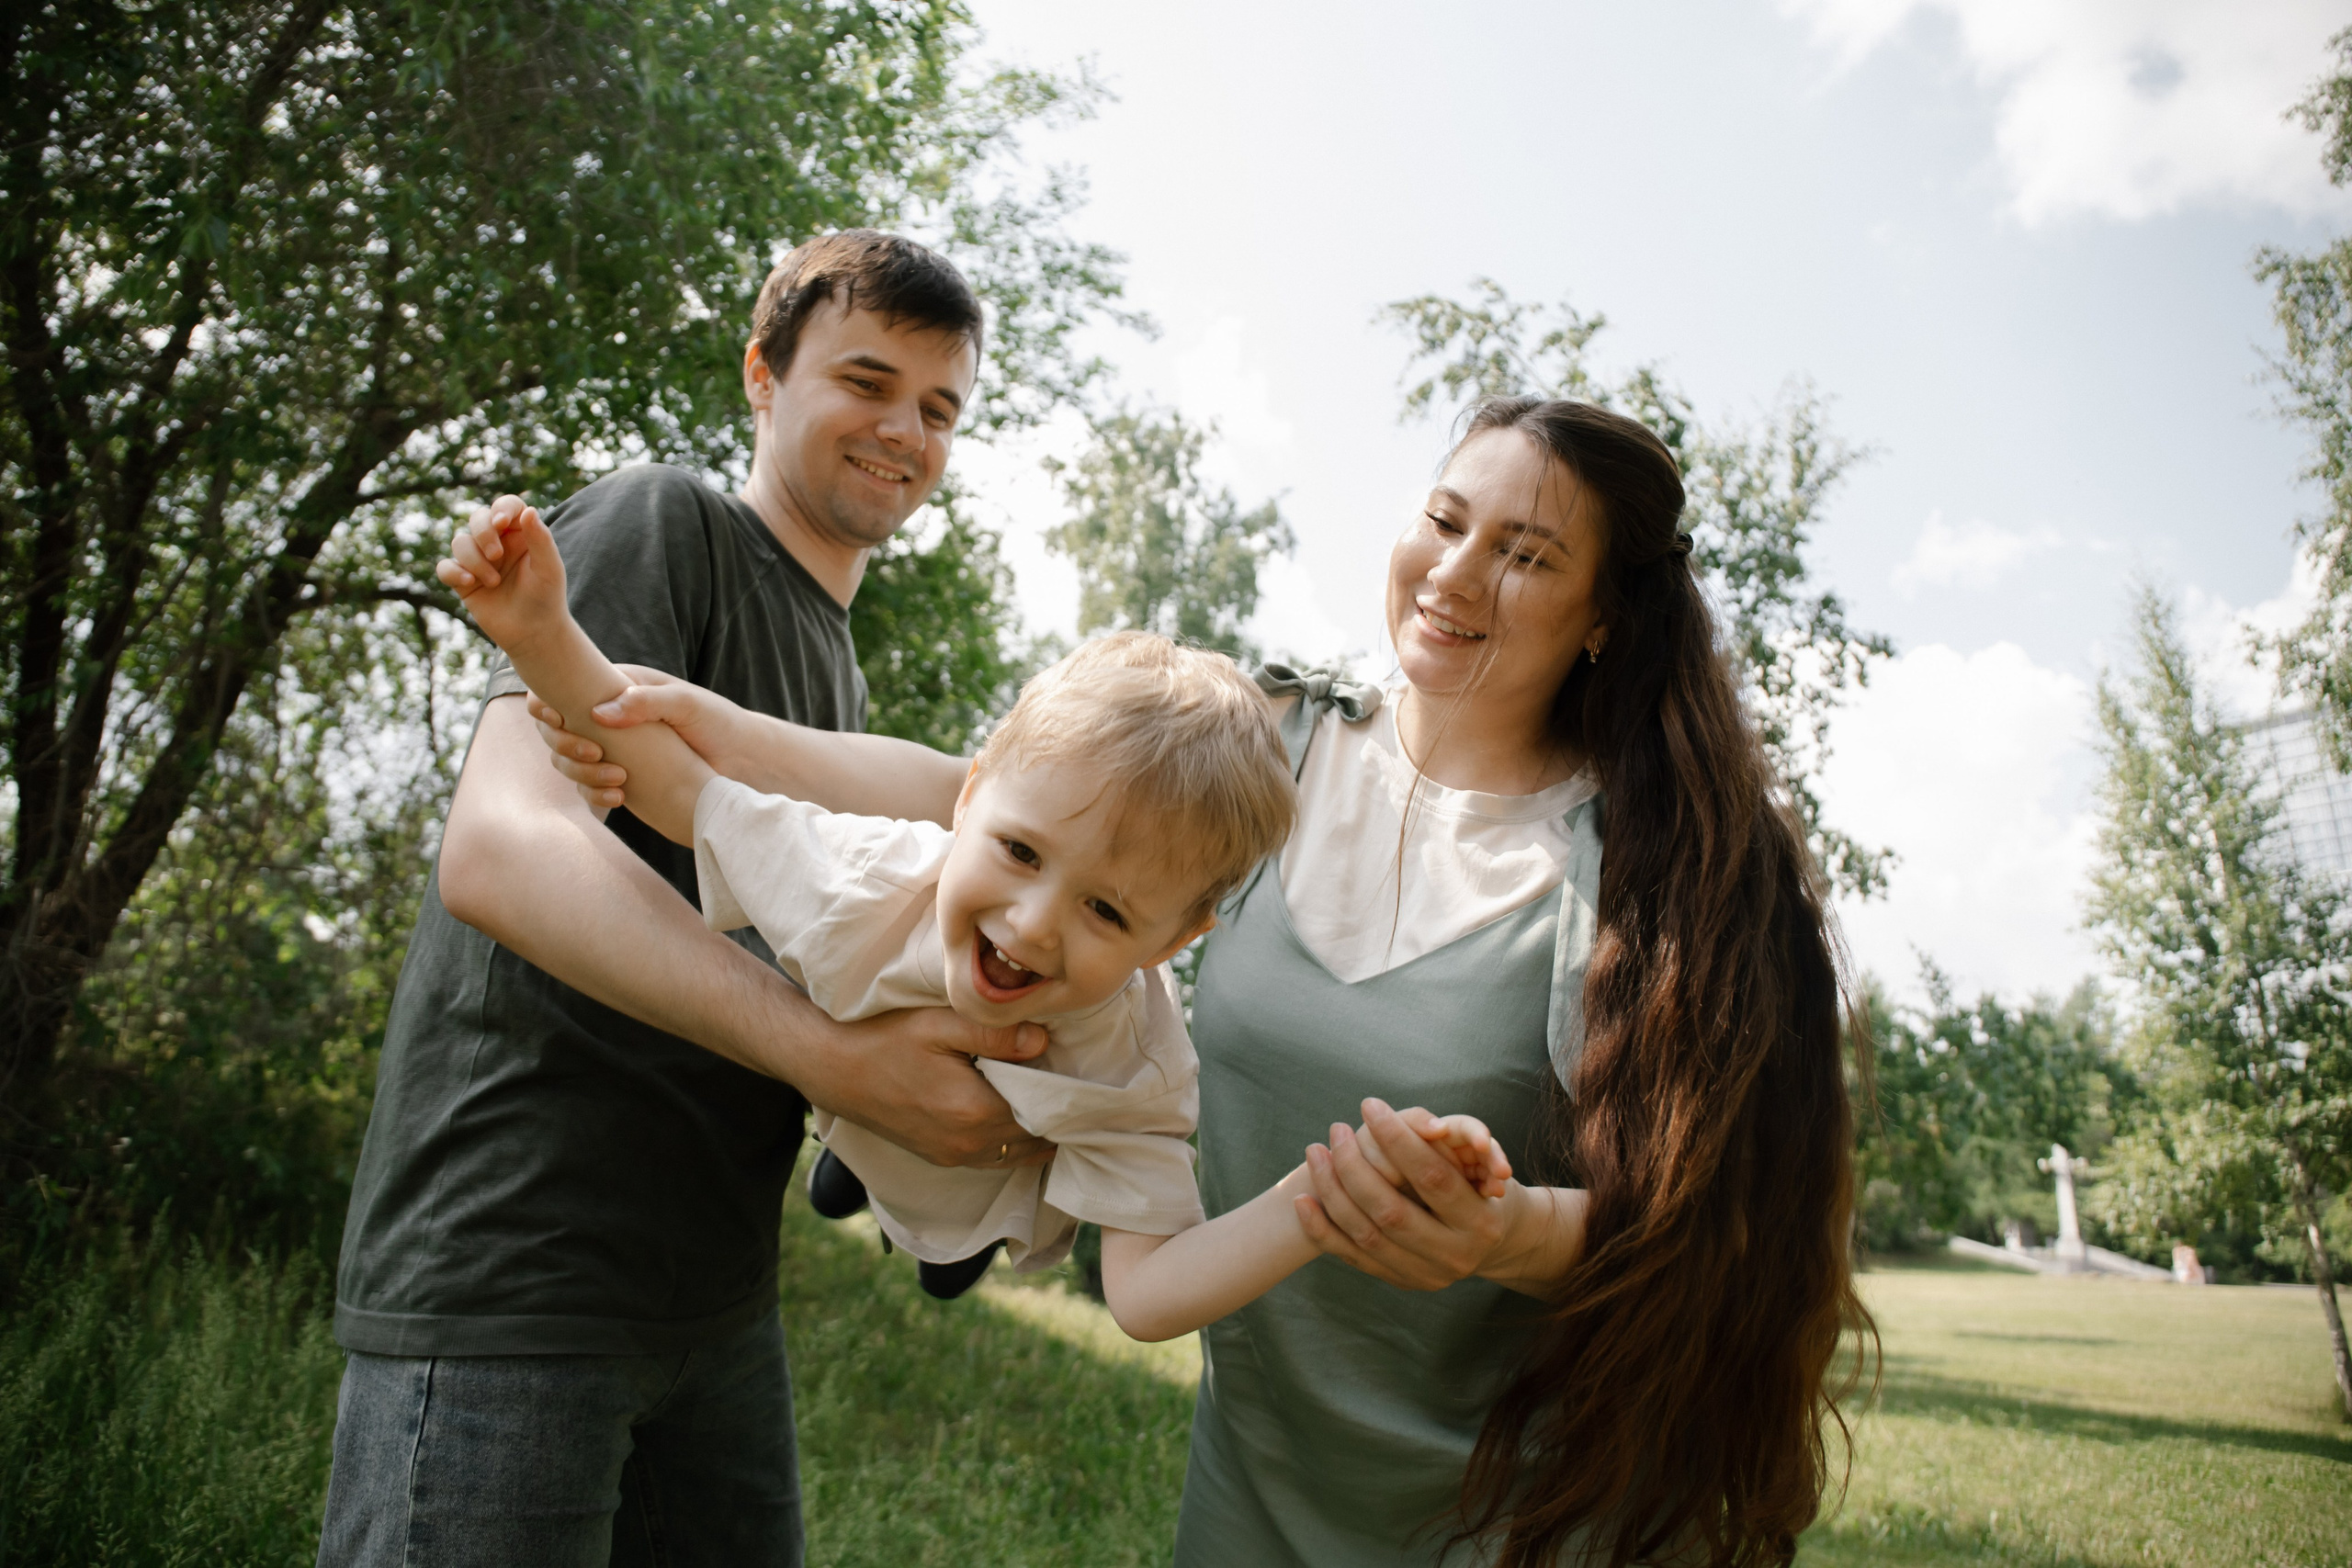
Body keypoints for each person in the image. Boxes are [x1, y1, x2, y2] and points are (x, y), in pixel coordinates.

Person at [535, 396, 1869, 1567]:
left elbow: (1730, 1226)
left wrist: (1506, 1232)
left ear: (1606, 618)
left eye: (1525, 555)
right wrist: (720, 731)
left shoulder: (1674, 871)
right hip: (1266, 1473)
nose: (1456, 572)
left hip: (1542, 1497)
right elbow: (989, 793)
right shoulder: (1272, 748)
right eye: (1445, 520)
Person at [317, 231, 1055, 1568]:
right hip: (522, 1265)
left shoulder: (838, 684)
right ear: (763, 377)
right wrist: (837, 1062)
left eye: (939, 409)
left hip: (714, 1303)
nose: (905, 432)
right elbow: (501, 849)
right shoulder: (664, 523)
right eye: (867, 382)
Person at [439, 498, 1517, 1337]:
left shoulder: (1136, 1067)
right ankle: (855, 1161)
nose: (1033, 925)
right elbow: (674, 784)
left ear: (1175, 942)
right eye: (1018, 852)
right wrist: (543, 634)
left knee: (962, 1225)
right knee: (863, 1096)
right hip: (860, 1061)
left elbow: (1144, 1297)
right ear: (968, 797)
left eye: (1106, 910)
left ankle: (944, 1242)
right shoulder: (876, 873)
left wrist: (1311, 1202)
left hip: (993, 1185)